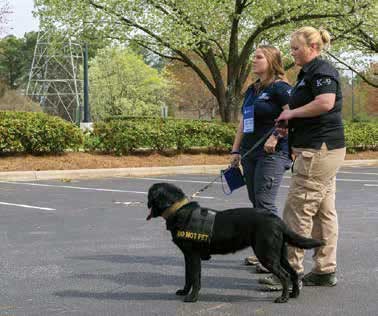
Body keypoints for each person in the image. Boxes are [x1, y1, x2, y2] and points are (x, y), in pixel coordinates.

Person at [260, 26, 346, 290]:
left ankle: (288, 272)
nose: (292, 53)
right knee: (323, 212)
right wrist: (288, 123)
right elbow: (308, 107)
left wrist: (291, 115)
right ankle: (324, 270)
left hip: (318, 150)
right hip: (321, 148)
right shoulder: (307, 73)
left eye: (296, 48)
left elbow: (325, 103)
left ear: (314, 47)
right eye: (291, 48)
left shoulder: (322, 71)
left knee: (297, 211)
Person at [230, 45, 292, 271]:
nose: (253, 61)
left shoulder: (281, 88)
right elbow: (243, 123)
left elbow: (291, 115)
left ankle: (275, 258)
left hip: (273, 154)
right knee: (257, 205)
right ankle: (264, 251)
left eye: (258, 57)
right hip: (249, 153)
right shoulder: (252, 89)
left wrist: (276, 136)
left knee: (265, 204)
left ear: (272, 60)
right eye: (253, 57)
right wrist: (235, 151)